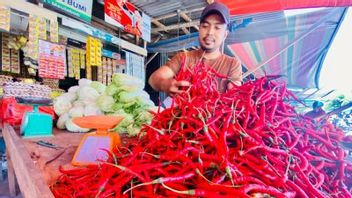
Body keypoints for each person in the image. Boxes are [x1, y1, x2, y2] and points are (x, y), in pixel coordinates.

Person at [148, 2, 242, 97]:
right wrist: (165, 84)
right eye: (205, 26)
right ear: (199, 29)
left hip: (214, 112)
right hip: (182, 111)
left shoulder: (232, 64)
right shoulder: (183, 58)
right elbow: (153, 79)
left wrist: (237, 92)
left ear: (225, 35)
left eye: (217, 27)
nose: (210, 32)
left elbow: (235, 92)